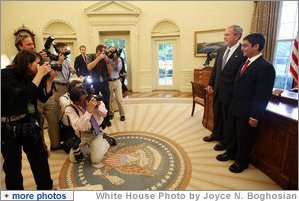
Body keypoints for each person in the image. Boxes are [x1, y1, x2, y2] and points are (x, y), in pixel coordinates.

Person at [216, 33, 275, 173]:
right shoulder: (245, 62)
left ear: (256, 46)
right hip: (235, 107)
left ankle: (241, 162)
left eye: (245, 46)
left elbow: (262, 95)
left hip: (248, 111)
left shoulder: (265, 67)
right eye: (242, 45)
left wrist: (255, 116)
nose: (242, 48)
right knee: (233, 133)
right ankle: (230, 152)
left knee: (244, 137)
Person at [1, 50, 56, 189]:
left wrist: (49, 80)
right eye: (37, 64)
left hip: (29, 123)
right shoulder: (5, 75)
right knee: (12, 167)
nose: (39, 67)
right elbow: (22, 97)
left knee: (40, 161)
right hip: (9, 128)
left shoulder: (30, 75)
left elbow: (41, 97)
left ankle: (46, 191)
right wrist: (39, 75)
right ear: (27, 63)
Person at [15, 33, 62, 151]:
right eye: (29, 44)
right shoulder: (17, 63)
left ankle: (56, 144)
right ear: (20, 46)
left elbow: (46, 73)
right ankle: (41, 148)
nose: (32, 46)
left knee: (54, 121)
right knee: (37, 125)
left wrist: (46, 62)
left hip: (46, 93)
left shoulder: (39, 57)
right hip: (33, 99)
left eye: (32, 43)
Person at [203, 25, 247, 151]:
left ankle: (225, 141)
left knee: (227, 118)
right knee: (217, 114)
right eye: (224, 34)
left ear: (237, 36)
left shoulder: (242, 52)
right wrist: (211, 84)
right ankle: (216, 134)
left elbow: (240, 75)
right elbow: (216, 70)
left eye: (227, 34)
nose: (224, 37)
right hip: (217, 89)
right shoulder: (221, 50)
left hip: (231, 93)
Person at [65, 87, 116, 164]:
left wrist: (97, 107)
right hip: (83, 136)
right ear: (76, 102)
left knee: (95, 160)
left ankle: (106, 140)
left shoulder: (93, 99)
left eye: (87, 97)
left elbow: (104, 114)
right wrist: (88, 111)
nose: (87, 101)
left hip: (96, 132)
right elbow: (80, 127)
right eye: (83, 101)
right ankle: (91, 146)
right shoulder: (70, 109)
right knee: (73, 159)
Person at [87, 44, 112, 127]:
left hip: (104, 82)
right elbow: (89, 67)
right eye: (103, 51)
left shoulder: (105, 59)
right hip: (95, 82)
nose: (104, 53)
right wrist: (99, 58)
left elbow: (110, 72)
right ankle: (98, 119)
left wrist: (107, 62)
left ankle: (106, 119)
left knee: (106, 101)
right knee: (96, 101)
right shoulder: (91, 56)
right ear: (98, 51)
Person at [107, 46, 126, 121]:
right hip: (109, 81)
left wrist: (116, 60)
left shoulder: (119, 59)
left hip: (117, 81)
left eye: (113, 51)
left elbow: (118, 69)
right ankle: (111, 113)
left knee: (119, 99)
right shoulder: (106, 59)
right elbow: (109, 71)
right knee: (110, 99)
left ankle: (122, 114)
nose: (112, 53)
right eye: (110, 51)